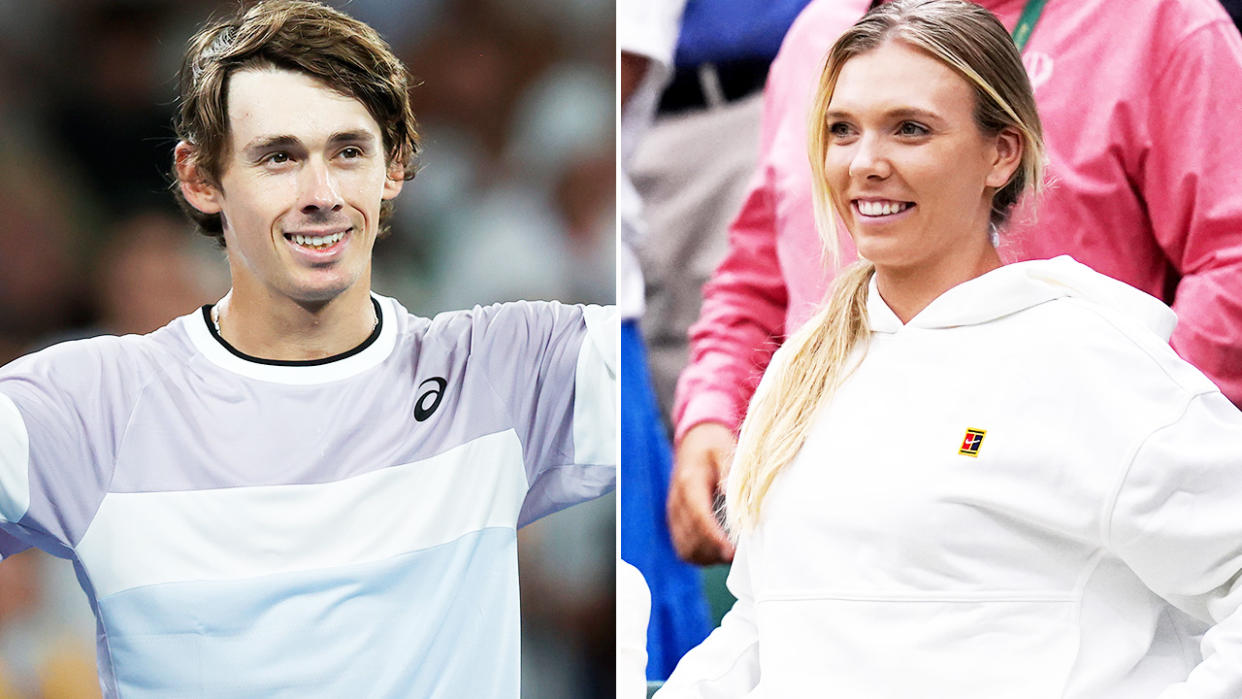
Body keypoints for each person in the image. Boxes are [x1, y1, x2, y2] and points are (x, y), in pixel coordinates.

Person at [0, 2, 616, 697]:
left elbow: (730, 354)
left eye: (349, 151)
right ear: (201, 179)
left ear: (396, 168)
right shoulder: (91, 405)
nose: (321, 194)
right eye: (279, 157)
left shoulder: (505, 367)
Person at [656, 1, 1242, 695]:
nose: (866, 163)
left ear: (1003, 152)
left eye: (910, 129)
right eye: (842, 130)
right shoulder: (801, 372)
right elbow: (761, 626)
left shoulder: (1094, 364)